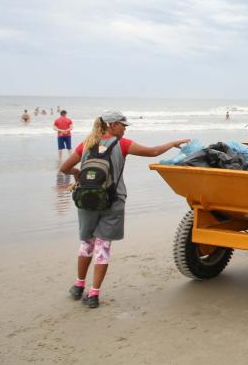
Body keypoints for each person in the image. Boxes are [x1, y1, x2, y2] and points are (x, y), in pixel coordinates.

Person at [58, 111, 189, 309]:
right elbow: (153, 152)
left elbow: (64, 168)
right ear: (112, 125)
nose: (125, 128)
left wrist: (77, 174)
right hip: (113, 200)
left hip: (86, 200)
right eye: (123, 125)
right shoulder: (123, 144)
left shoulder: (86, 143)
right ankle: (93, 295)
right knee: (103, 246)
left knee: (86, 244)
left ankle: (78, 286)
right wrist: (173, 143)